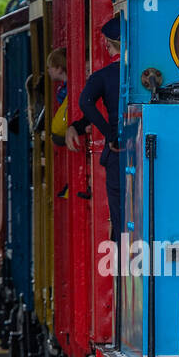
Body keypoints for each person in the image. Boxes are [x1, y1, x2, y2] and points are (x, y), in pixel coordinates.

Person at [66, 15, 122, 240]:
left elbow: (85, 103)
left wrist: (110, 134)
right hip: (148, 148)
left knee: (119, 215)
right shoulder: (147, 72)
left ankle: (124, 266)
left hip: (118, 152)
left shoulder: (103, 76)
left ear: (109, 44)